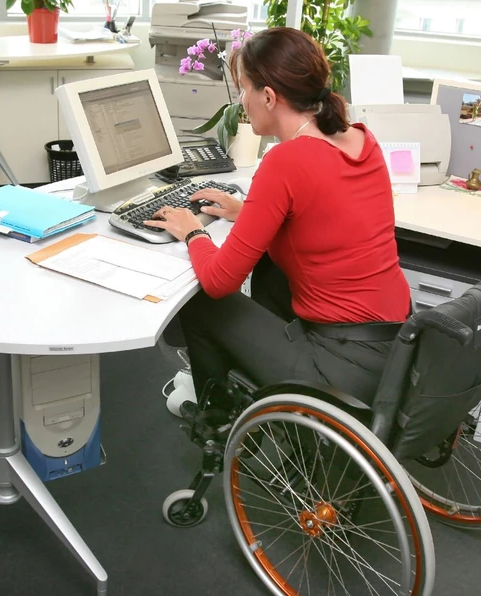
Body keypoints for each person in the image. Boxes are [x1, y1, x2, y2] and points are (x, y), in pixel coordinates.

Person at [145, 27, 410, 413]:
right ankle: (242, 384)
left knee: (201, 302)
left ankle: (216, 417)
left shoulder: (286, 161)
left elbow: (219, 281)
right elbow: (327, 219)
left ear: (268, 97)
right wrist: (248, 213)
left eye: (244, 89)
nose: (242, 100)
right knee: (269, 271)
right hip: (396, 347)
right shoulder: (361, 139)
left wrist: (193, 232)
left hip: (340, 365)